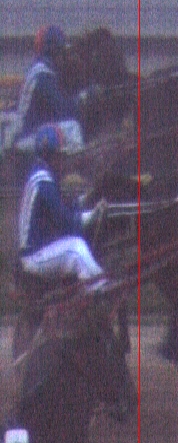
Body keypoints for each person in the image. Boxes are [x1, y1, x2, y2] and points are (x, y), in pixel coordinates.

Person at [17, 124, 106, 286]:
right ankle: (100, 289)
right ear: (48, 155)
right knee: (76, 248)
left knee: (76, 244)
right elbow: (66, 222)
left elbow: (63, 206)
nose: (62, 160)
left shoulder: (43, 174)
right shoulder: (42, 179)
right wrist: (92, 215)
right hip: (34, 256)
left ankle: (96, 285)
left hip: (41, 249)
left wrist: (83, 200)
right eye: (59, 155)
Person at [13, 25, 83, 146]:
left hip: (29, 135)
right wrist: (83, 98)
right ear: (53, 52)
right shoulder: (43, 76)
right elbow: (64, 112)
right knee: (73, 127)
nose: (63, 57)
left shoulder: (38, 70)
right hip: (27, 140)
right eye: (61, 52)